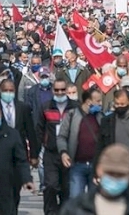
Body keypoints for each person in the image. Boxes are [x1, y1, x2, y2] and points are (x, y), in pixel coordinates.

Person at [60, 144, 129, 215]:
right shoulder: (75, 209)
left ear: (128, 174)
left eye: (120, 175)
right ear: (99, 170)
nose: (115, 179)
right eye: (110, 173)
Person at [37, 78, 77, 214]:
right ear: (52, 90)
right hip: (51, 153)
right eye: (57, 90)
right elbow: (40, 129)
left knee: (67, 188)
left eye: (62, 90)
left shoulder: (75, 107)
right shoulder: (46, 106)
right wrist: (39, 150)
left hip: (70, 154)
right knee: (50, 185)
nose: (60, 92)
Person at [58, 88, 104, 198]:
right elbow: (61, 136)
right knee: (75, 200)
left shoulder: (101, 117)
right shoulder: (72, 115)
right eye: (98, 101)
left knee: (95, 202)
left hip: (96, 167)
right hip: (77, 165)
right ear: (88, 102)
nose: (100, 104)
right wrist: (63, 152)